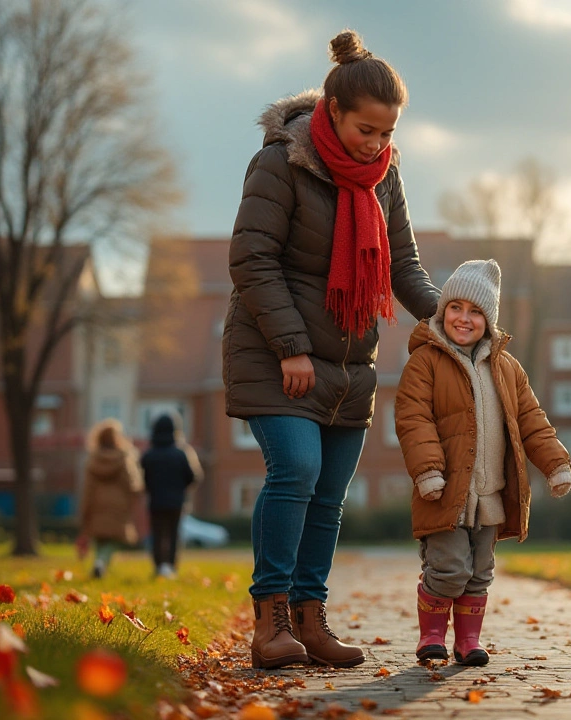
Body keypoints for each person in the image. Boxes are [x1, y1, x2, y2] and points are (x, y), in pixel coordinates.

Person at [223, 30, 440, 670]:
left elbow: (403, 264)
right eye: (365, 129)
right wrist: (291, 347)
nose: (376, 143)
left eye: (387, 132)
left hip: (349, 365)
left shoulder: (384, 176)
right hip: (275, 351)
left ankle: (311, 621)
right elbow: (252, 260)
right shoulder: (280, 163)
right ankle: (271, 625)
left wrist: (451, 314)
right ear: (333, 111)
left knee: (328, 496)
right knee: (295, 470)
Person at [396, 259, 571, 666]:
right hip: (445, 488)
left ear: (489, 321)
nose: (464, 318)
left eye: (476, 312)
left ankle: (468, 641)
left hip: (490, 492)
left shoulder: (508, 368)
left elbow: (531, 420)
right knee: (449, 567)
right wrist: (427, 471)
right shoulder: (426, 361)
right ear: (442, 310)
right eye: (456, 307)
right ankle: (432, 637)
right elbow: (413, 417)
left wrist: (556, 464)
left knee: (479, 571)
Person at [141, 413, 203, 579]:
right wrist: (181, 489)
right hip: (176, 501)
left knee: (157, 533)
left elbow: (143, 479)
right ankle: (171, 566)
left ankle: (158, 565)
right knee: (174, 534)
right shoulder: (181, 453)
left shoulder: (149, 455)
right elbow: (193, 477)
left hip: (155, 501)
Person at [78, 419, 143, 579]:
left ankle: (99, 563)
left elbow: (87, 488)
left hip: (97, 503)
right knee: (113, 540)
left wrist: (84, 510)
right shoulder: (124, 458)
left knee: (100, 538)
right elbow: (132, 483)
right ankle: (101, 562)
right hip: (118, 505)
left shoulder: (92, 460)